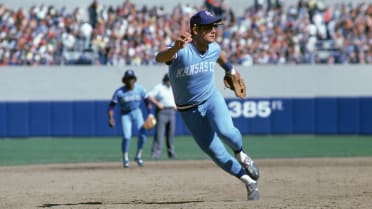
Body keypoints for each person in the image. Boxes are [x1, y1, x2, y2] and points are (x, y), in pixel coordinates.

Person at [155, 10, 260, 200]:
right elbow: (160, 58)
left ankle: (241, 154)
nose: (214, 30)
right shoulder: (182, 50)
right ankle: (249, 183)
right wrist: (174, 48)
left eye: (215, 26)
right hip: (189, 110)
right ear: (195, 29)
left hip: (211, 99)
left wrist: (233, 72)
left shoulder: (214, 47)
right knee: (216, 153)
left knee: (227, 132)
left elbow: (222, 59)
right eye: (208, 27)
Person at [107, 69, 161, 168]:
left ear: (135, 79)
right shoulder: (119, 92)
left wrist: (150, 114)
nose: (130, 80)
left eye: (132, 78)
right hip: (125, 114)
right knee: (127, 137)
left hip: (137, 112)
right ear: (125, 80)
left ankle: (138, 156)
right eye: (128, 78)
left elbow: (147, 101)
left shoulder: (140, 89)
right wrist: (111, 118)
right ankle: (125, 158)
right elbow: (111, 106)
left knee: (143, 136)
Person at [148, 73, 177, 159]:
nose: (169, 82)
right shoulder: (159, 87)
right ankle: (155, 154)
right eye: (168, 80)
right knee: (159, 134)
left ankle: (171, 154)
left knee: (171, 134)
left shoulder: (173, 87)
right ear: (165, 80)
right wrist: (157, 104)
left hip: (172, 111)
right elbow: (149, 96)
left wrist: (176, 105)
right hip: (162, 111)